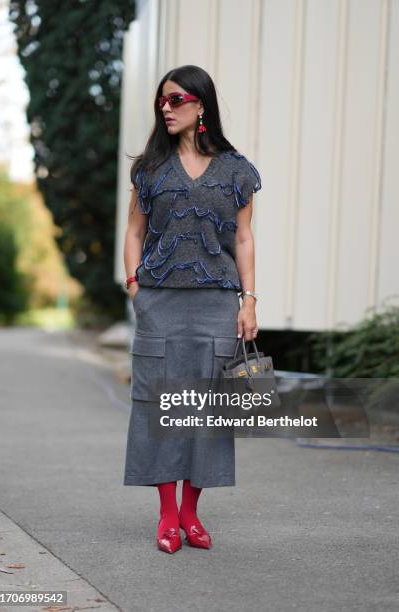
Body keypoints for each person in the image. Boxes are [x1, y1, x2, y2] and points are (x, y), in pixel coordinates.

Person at [123, 64, 261, 554]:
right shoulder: (150, 170)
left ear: (201, 104)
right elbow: (134, 233)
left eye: (176, 99)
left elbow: (243, 237)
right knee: (161, 407)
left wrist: (248, 300)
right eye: (162, 100)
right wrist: (137, 287)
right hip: (161, 303)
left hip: (215, 305)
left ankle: (190, 513)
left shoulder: (237, 170)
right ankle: (165, 515)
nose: (167, 107)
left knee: (207, 410)